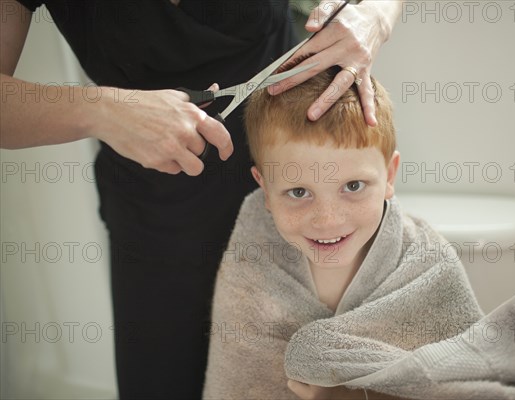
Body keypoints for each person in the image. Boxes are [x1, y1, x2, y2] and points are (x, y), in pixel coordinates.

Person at [0, 0, 404, 398]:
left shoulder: (340, 221)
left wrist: (376, 15)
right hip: (159, 214)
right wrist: (101, 109)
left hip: (297, 180)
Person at [202, 67, 515, 400]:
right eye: (298, 192)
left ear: (389, 177)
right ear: (265, 190)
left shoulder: (427, 265)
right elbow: (239, 379)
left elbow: (455, 382)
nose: (327, 220)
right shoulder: (252, 260)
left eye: (353, 187)